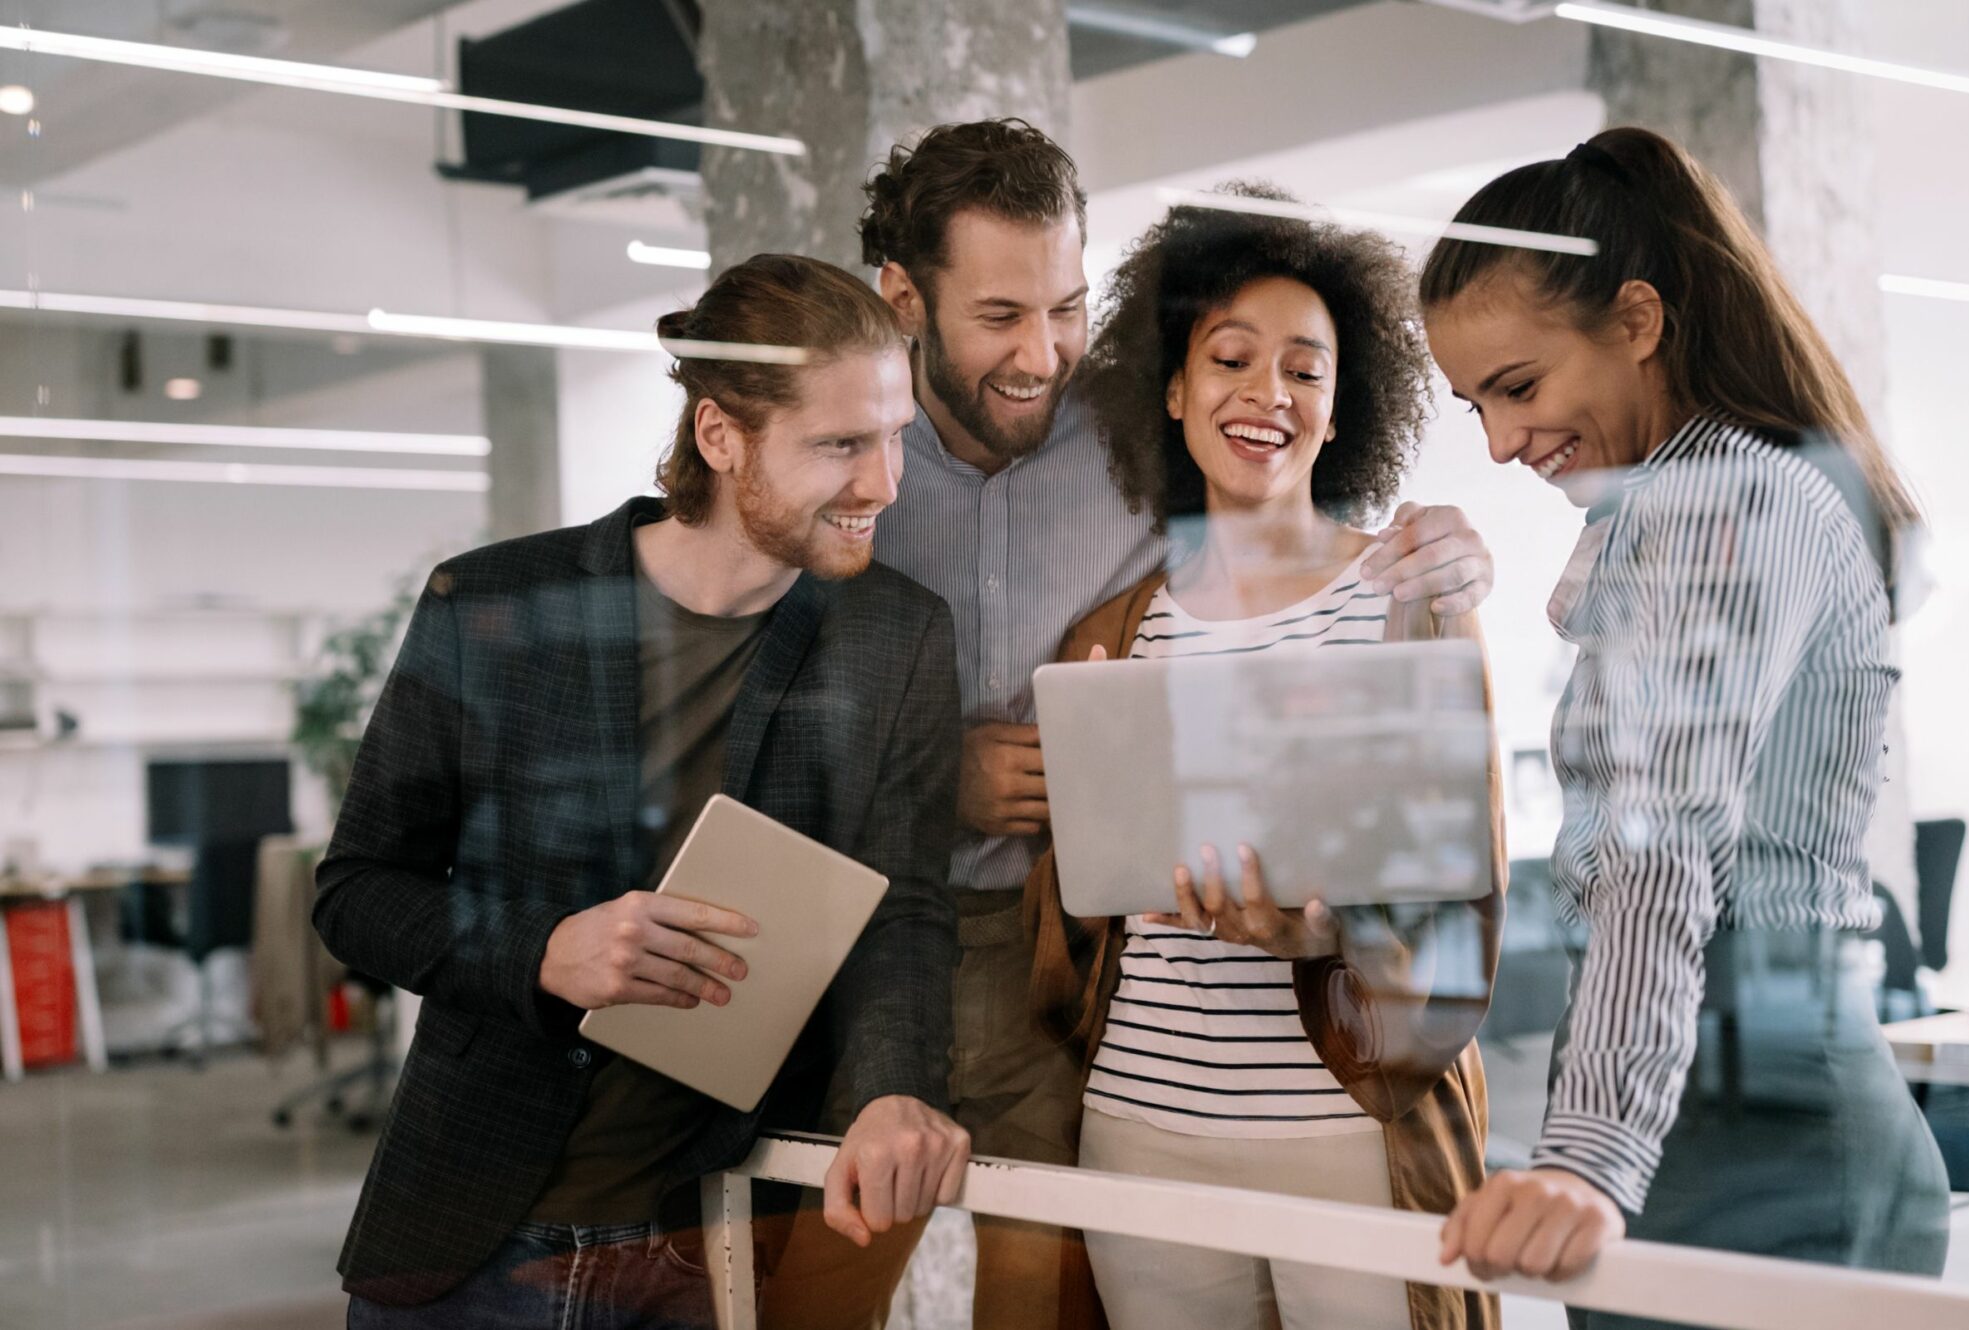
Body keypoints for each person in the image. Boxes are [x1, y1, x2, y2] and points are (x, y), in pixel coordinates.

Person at [757, 118, 1502, 1330]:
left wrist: (1446, 555)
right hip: (870, 934)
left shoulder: (1127, 454)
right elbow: (747, 698)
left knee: (1034, 1309)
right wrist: (932, 775)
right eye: (999, 315)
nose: (1042, 352)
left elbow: (1286, 520)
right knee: (811, 1299)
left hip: (1057, 973)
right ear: (904, 298)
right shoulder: (844, 464)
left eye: (1064, 308)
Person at [314, 253, 971, 1328]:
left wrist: (897, 1086)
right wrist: (543, 951)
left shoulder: (897, 635)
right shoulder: (491, 603)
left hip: (710, 1239)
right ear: (721, 436)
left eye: (895, 434)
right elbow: (356, 892)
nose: (885, 482)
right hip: (472, 1234)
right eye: (842, 443)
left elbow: (903, 908)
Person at [1418, 127, 1949, 1324]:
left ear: (1639, 321)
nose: (1501, 441)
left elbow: (1661, 848)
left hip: (1764, 1126)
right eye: (1475, 406)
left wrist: (1587, 1153)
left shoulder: (1734, 505)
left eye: (1518, 387)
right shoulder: (1666, 514)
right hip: (1705, 1098)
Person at [1023, 186, 1503, 1330]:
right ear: (1176, 390)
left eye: (1304, 368)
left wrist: (1328, 930)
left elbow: (1465, 887)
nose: (1267, 394)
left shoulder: (1409, 604)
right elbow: (1079, 915)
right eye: (1230, 358)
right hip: (1142, 1129)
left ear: (1340, 410)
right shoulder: (1112, 633)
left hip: (1346, 1130)